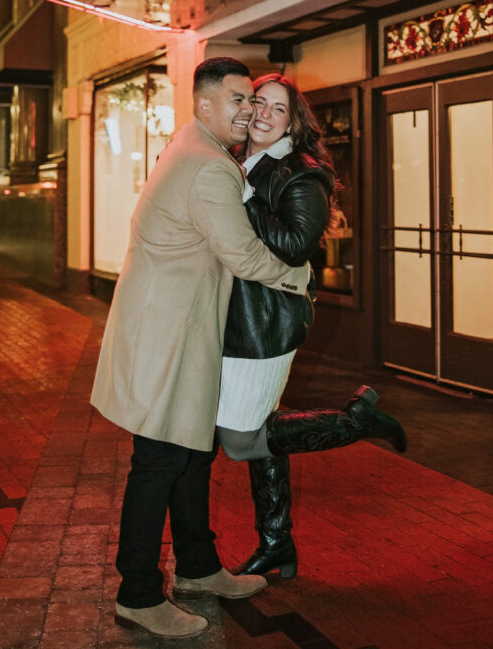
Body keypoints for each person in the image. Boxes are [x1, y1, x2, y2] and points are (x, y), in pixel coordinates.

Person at [90, 57, 312, 639]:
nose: (249, 111)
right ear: (206, 102)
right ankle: (137, 593)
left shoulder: (190, 146)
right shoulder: (209, 166)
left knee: (191, 454)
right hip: (168, 338)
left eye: (254, 101)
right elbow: (241, 254)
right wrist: (297, 277)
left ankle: (197, 567)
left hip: (174, 333)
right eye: (239, 99)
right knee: (161, 461)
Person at [216, 74, 407, 580]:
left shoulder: (301, 171)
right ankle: (277, 543)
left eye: (278, 109)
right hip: (236, 314)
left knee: (239, 441)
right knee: (259, 427)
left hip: (266, 319)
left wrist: (243, 195)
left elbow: (297, 243)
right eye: (258, 101)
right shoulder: (238, 158)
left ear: (293, 123)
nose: (264, 113)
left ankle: (356, 422)